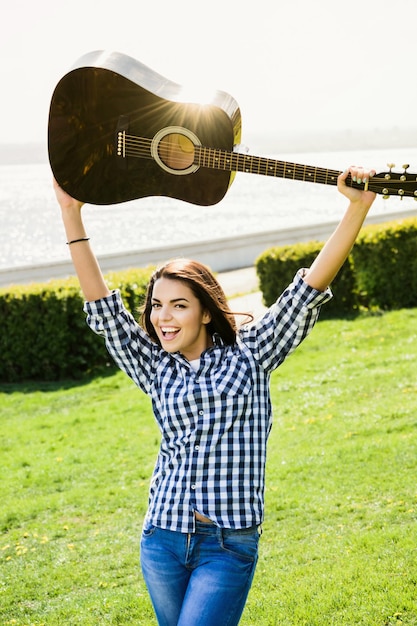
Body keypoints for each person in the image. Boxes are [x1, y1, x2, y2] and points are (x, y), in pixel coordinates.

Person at [53, 166, 376, 626]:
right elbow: (103, 307)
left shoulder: (252, 354)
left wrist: (357, 208)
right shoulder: (154, 366)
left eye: (179, 305)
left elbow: (307, 291)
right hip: (162, 539)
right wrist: (71, 212)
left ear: (206, 312)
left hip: (227, 545)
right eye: (157, 305)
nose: (163, 317)